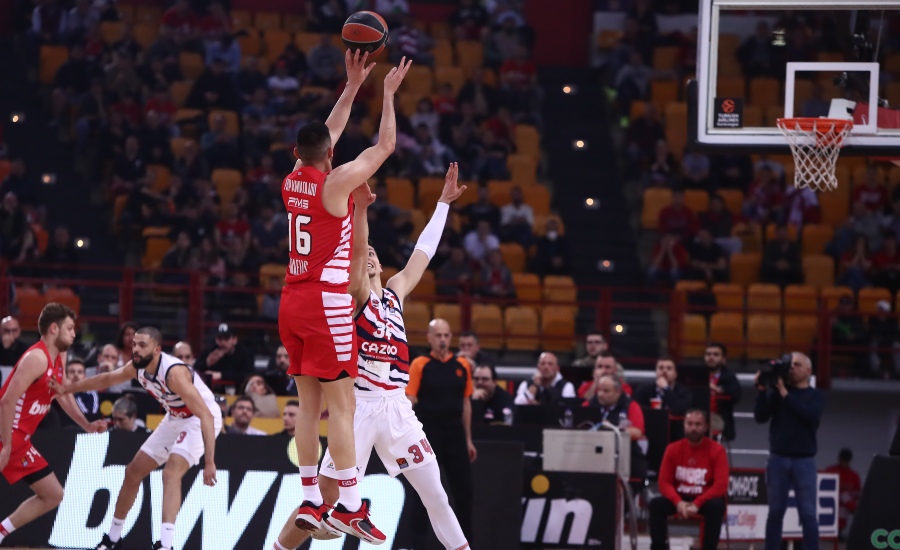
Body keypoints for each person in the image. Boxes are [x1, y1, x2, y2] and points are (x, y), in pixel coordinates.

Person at [275, 164, 470, 550]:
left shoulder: (396, 291)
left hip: (397, 408)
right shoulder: (356, 296)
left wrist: (443, 205)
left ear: (380, 264)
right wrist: (361, 211)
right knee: (322, 500)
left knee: (436, 494)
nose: (366, 256)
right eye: (361, 254)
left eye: (372, 255)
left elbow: (423, 253)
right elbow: (356, 256)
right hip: (358, 406)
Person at [277, 50, 411, 544]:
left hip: (290, 301)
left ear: (297, 151)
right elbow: (386, 145)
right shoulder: (335, 184)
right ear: (330, 154)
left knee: (307, 406)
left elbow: (327, 132)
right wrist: (388, 94)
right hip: (325, 303)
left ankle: (311, 498)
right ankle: (351, 506)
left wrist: (352, 86)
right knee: (343, 406)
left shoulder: (292, 178)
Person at [51, 326, 221, 550]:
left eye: (142, 345)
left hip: (200, 419)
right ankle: (113, 539)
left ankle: (165, 545)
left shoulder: (174, 373)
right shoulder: (137, 367)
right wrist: (67, 389)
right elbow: (107, 379)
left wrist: (209, 462)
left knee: (171, 472)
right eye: (134, 345)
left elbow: (206, 416)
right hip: (175, 416)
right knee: (133, 472)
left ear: (157, 350)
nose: (136, 349)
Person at [0, 304, 107, 545]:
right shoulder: (37, 358)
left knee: (53, 495)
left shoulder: (59, 356)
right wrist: (6, 445)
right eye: (70, 328)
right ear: (53, 329)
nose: (74, 334)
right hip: (5, 433)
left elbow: (62, 393)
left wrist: (87, 425)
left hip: (20, 440)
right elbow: (6, 402)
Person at [405, 318, 476, 546]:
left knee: (464, 492)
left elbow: (466, 402)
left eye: (446, 335)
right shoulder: (420, 364)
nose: (442, 340)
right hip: (428, 434)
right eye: (438, 335)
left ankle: (464, 544)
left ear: (451, 338)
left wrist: (468, 439)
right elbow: (409, 400)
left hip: (455, 434)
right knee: (423, 492)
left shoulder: (462, 365)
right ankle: (417, 544)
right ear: (429, 338)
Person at [754, 352, 825, 550]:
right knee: (775, 512)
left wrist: (785, 394)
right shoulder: (778, 393)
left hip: (804, 459)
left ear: (809, 371)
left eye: (797, 365)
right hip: (778, 457)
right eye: (790, 364)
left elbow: (810, 415)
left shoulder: (816, 396)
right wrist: (762, 391)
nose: (792, 368)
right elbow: (760, 417)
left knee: (808, 514)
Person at [649, 409, 728, 550]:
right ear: (684, 425)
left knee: (716, 506)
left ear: (705, 427)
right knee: (656, 505)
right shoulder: (672, 449)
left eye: (698, 424)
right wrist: (678, 502)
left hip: (704, 499)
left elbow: (721, 485)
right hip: (680, 497)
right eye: (689, 424)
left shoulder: (717, 450)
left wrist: (697, 503)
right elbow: (664, 482)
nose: (693, 428)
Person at [705, 342, 741, 441]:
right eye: (708, 354)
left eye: (715, 354)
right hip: (697, 415)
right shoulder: (696, 375)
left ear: (723, 359)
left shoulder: (729, 377)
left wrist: (718, 390)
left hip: (717, 417)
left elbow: (736, 395)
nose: (711, 357)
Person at [824, 448, 861, 538]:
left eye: (846, 461)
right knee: (844, 497)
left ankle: (838, 532)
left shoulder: (853, 475)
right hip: (829, 502)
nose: (844, 463)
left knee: (845, 498)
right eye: (843, 460)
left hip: (844, 505)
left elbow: (857, 492)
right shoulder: (831, 470)